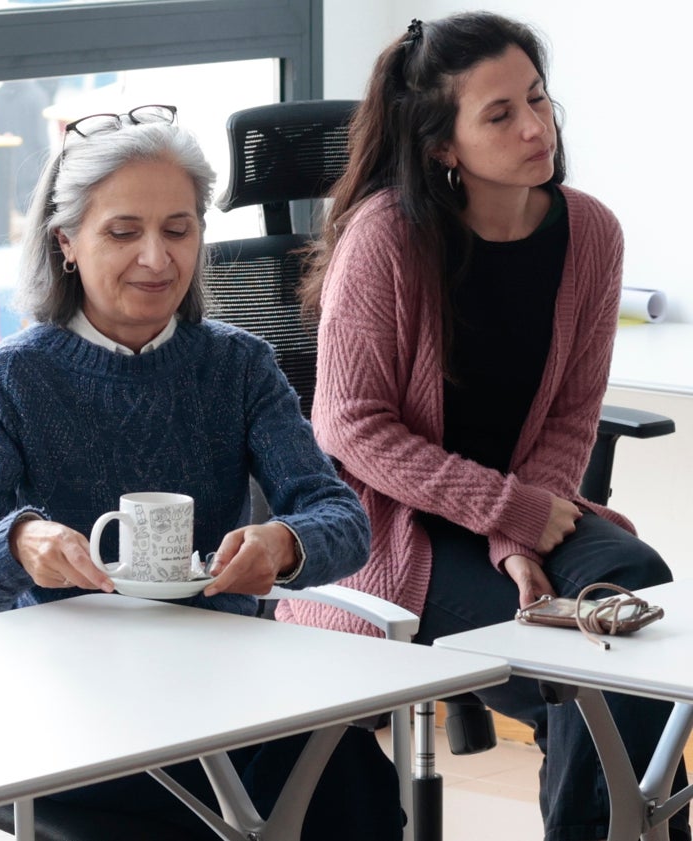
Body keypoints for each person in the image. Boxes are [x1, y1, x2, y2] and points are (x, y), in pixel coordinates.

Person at [0, 106, 401, 839]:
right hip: (72, 713)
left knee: (347, 769)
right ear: (66, 244)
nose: (157, 257)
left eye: (179, 230)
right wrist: (20, 543)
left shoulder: (238, 366)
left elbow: (343, 521)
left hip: (227, 693)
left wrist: (280, 544)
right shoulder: (11, 379)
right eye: (123, 232)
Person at [279, 12, 689, 841]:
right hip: (397, 535)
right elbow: (350, 426)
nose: (536, 127)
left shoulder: (590, 233)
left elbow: (572, 418)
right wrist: (510, 516)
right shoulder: (385, 238)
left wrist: (517, 533)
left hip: (525, 514)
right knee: (593, 665)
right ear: (443, 146)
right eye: (499, 114)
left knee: (631, 587)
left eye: (537, 99)